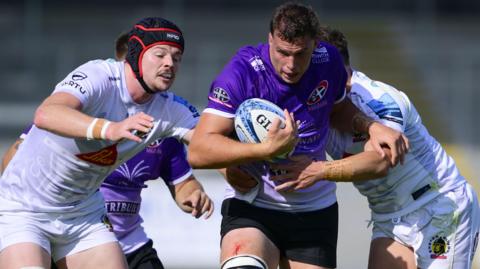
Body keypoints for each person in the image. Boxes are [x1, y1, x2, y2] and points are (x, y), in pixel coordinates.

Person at [188, 2, 409, 269]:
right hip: (254, 203)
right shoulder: (242, 72)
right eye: (282, 52)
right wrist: (265, 150)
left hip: (314, 210)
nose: (291, 65)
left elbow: (338, 111)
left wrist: (371, 126)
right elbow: (198, 151)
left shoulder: (328, 60)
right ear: (270, 39)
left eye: (301, 54)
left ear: (315, 44)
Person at [0, 17, 200, 269]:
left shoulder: (171, 109)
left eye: (177, 57)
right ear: (136, 54)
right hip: (25, 210)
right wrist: (109, 129)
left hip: (83, 214)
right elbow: (46, 114)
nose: (170, 63)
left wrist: (256, 150)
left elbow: (210, 141)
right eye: (160, 54)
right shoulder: (99, 76)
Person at [272, 28, 480, 269]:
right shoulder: (314, 103)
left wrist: (319, 170)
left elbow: (380, 162)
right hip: (388, 216)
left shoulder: (378, 100)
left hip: (437, 203)